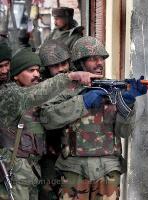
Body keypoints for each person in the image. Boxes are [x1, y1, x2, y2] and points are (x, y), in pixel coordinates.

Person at [40, 36, 147, 200]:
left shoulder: (114, 89)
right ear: (80, 62)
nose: (100, 63)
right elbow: (47, 119)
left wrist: (127, 105)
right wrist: (83, 101)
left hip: (108, 170)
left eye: (102, 58)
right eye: (93, 59)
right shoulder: (65, 88)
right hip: (74, 170)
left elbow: (124, 132)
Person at [0, 49, 102, 200]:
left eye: (37, 70)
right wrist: (72, 76)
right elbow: (38, 93)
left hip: (32, 170)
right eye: (30, 70)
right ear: (15, 75)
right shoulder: (10, 94)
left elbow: (55, 99)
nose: (36, 74)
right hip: (14, 171)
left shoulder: (33, 96)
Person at [39, 40, 72, 199]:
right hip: (47, 153)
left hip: (72, 154)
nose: (61, 69)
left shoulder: (74, 82)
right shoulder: (40, 88)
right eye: (55, 65)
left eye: (64, 63)